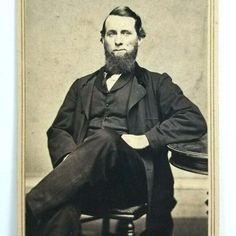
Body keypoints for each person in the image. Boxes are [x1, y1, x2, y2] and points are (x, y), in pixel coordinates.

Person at [26, 6, 207, 236]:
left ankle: (26, 210)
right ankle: (36, 212)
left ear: (139, 38)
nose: (119, 41)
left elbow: (193, 119)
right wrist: (72, 161)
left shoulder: (156, 84)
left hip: (132, 182)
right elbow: (59, 130)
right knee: (61, 205)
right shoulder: (81, 86)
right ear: (102, 39)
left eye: (126, 33)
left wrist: (147, 138)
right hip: (87, 179)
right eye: (112, 34)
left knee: (105, 137)